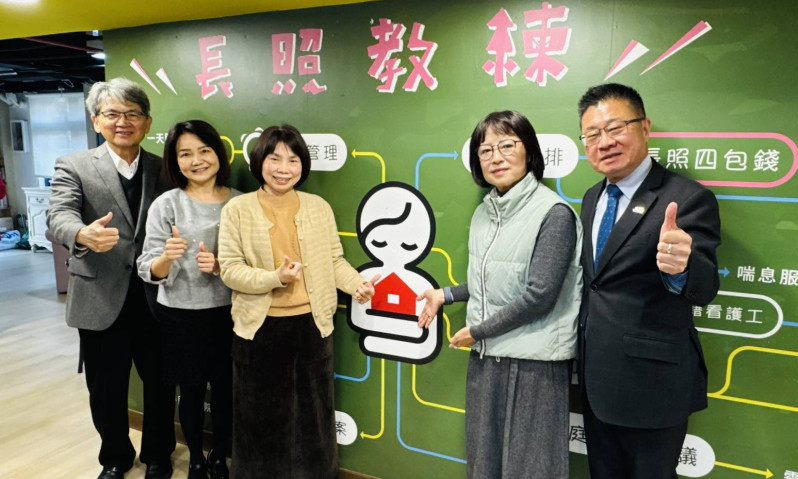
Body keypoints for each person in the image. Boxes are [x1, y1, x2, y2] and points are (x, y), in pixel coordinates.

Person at [417, 110, 583, 478]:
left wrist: (477, 331)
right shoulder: (485, 213)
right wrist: (445, 294)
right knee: (484, 462)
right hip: (488, 357)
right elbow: (492, 283)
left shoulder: (553, 213)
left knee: (531, 468)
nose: (496, 157)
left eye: (507, 145)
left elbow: (540, 294)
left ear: (529, 151)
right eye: (485, 150)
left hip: (535, 364)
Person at [575, 83, 722, 479]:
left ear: (644, 127)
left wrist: (682, 268)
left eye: (615, 128)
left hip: (653, 385)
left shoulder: (686, 197)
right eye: (592, 134)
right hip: (595, 378)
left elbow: (706, 287)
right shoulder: (591, 198)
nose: (605, 142)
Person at [217, 123, 378, 478]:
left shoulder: (318, 207)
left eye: (292, 160)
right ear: (259, 161)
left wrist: (357, 285)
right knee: (258, 420)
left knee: (313, 420)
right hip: (258, 329)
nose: (283, 168)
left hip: (312, 326)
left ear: (303, 164)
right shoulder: (237, 209)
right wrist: (275, 278)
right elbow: (229, 270)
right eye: (274, 158)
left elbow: (333, 260)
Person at [47, 78, 176, 479]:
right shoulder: (74, 165)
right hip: (99, 296)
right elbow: (59, 215)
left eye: (133, 113)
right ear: (96, 120)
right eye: (112, 114)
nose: (123, 122)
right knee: (106, 388)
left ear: (147, 122)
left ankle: (158, 455)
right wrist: (82, 234)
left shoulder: (162, 167)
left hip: (157, 296)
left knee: (160, 383)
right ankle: (115, 458)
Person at [136, 120, 239, 479]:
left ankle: (219, 455)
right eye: (185, 154)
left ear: (218, 153)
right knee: (191, 391)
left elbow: (255, 261)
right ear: (174, 161)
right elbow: (147, 267)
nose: (196, 160)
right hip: (181, 314)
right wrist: (167, 257)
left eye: (204, 150)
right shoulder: (167, 204)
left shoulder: (241, 202)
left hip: (230, 312)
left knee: (226, 390)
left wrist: (220, 266)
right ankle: (195, 457)